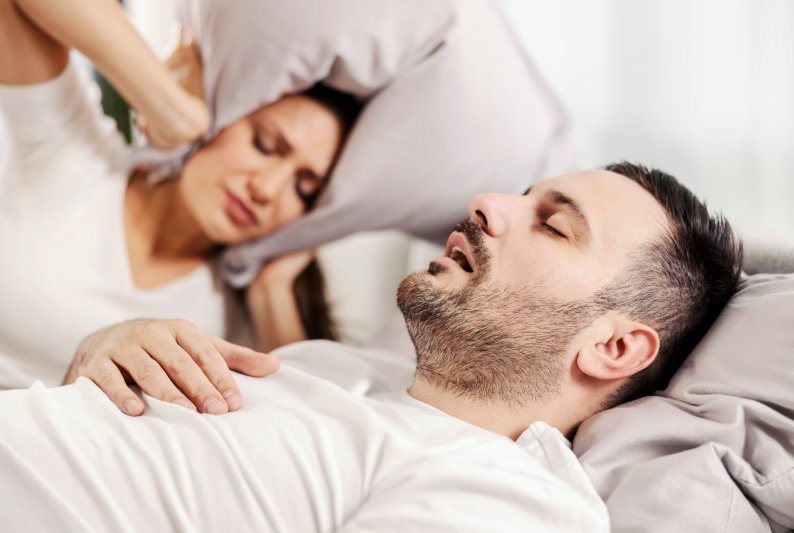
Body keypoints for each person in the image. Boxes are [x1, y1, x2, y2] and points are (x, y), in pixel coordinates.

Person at [0, 163, 742, 531]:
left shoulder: (513, 500)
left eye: (553, 225)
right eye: (523, 193)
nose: (489, 203)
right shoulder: (346, 368)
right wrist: (104, 356)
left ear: (613, 346)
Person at [0, 0, 358, 410]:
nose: (268, 189)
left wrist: (272, 291)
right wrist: (173, 110)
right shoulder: (74, 154)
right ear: (219, 118)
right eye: (264, 144)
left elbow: (318, 428)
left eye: (304, 189)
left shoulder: (238, 319)